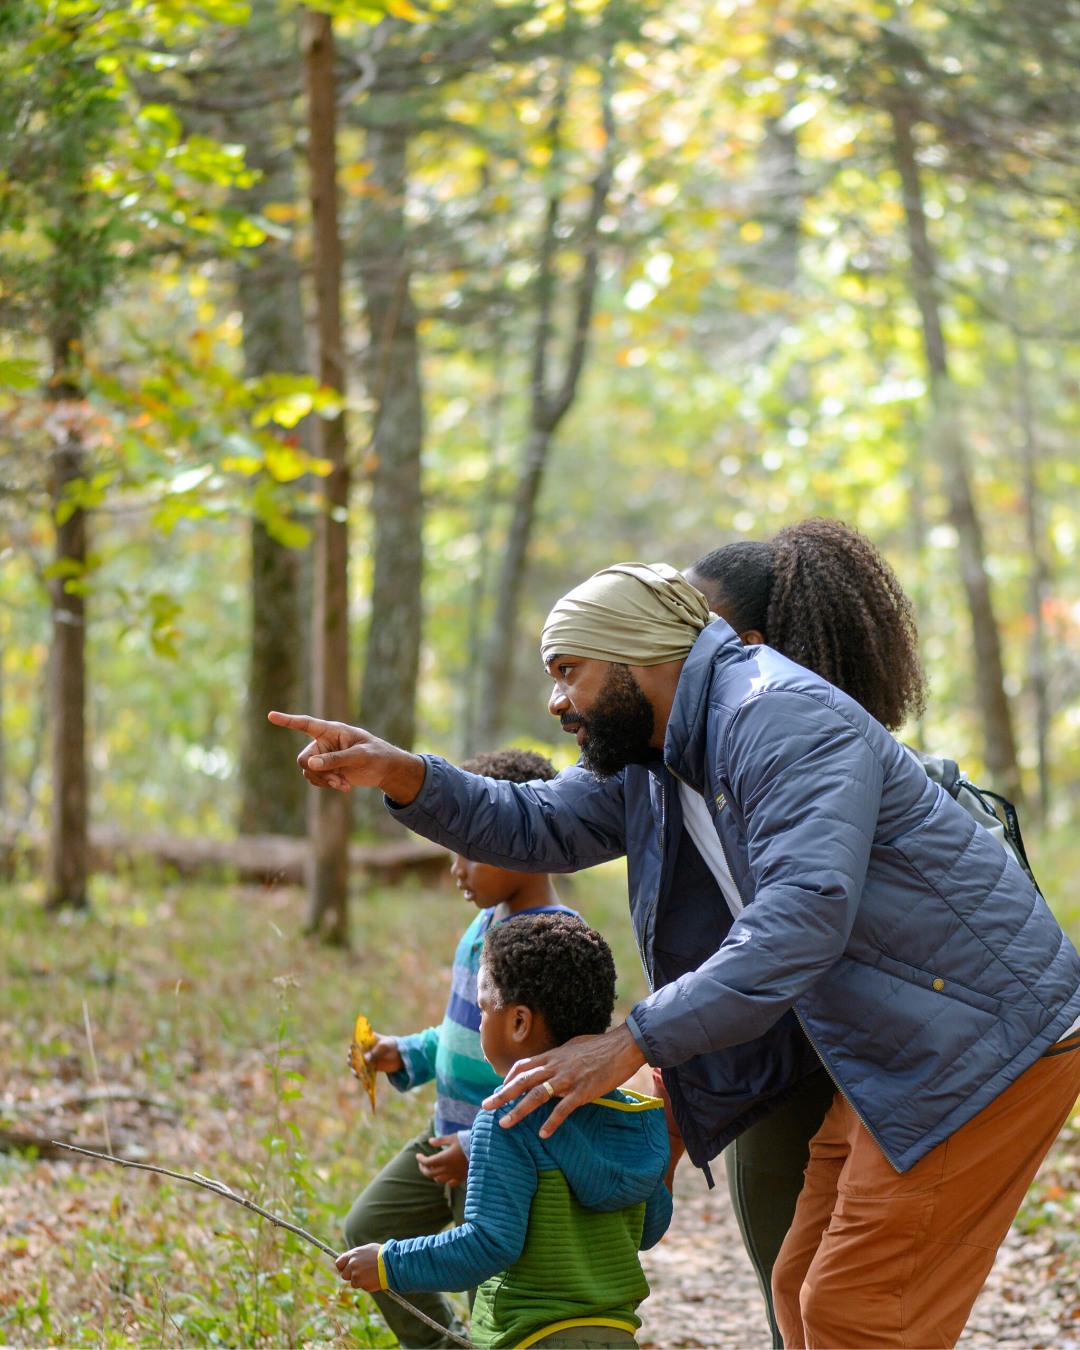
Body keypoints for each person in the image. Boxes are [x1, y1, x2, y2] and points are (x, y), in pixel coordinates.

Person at [271, 555, 1080, 1349]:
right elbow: (537, 822)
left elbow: (803, 915)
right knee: (802, 1291)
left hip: (980, 1033)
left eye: (568, 671)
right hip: (895, 1041)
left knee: (858, 1314)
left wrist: (630, 1043)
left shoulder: (774, 714)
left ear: (638, 656)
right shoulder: (658, 753)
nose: (557, 701)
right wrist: (403, 772)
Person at [679, 518, 928, 1346]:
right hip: (855, 1050)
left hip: (818, 1053)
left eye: (693, 628)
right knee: (820, 1296)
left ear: (747, 643)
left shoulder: (772, 746)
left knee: (812, 1298)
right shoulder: (728, 749)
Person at [335, 912, 673, 1350]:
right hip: (615, 1337)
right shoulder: (633, 1116)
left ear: (518, 1023)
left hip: (532, 1338)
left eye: (480, 1010)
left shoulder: (508, 1120)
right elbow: (651, 1229)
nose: (477, 1024)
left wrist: (387, 1265)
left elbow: (488, 1245)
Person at [342, 748, 579, 1349]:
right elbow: (465, 1032)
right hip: (442, 1136)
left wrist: (480, 1146)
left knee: (490, 1299)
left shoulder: (552, 943)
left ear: (525, 841)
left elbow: (555, 1074)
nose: (456, 868)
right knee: (367, 1226)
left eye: (470, 850)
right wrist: (410, 1054)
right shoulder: (484, 924)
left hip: (501, 1158)